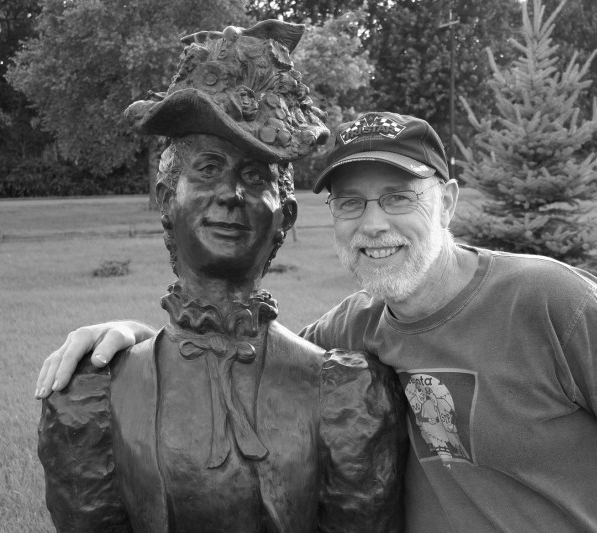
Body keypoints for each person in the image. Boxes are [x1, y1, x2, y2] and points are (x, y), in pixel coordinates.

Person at [37, 111, 597, 532]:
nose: (374, 226)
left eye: (398, 197)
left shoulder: (548, 300)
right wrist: (130, 339)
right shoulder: (353, 330)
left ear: (447, 200)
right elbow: (236, 356)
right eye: (351, 204)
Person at [36, 21, 406, 533]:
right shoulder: (94, 394)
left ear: (286, 216)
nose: (231, 193)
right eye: (208, 168)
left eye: (255, 176)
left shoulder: (345, 390)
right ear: (168, 199)